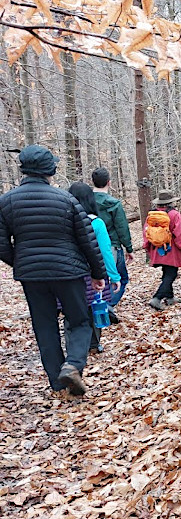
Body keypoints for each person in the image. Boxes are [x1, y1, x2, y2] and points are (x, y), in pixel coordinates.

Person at [0, 145, 106, 395]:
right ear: (50, 170)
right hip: (68, 272)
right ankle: (73, 365)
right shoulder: (66, 200)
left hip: (32, 276)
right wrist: (97, 273)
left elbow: (1, 244)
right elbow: (87, 240)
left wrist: (22, 262)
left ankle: (57, 382)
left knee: (44, 324)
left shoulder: (6, 201)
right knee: (79, 320)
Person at [69, 182, 121, 352]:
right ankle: (93, 344)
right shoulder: (96, 223)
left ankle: (73, 346)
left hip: (69, 273)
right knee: (94, 307)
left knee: (71, 311)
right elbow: (105, 251)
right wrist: (114, 276)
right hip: (93, 273)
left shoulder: (63, 221)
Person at [92, 167, 133, 312]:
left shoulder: (85, 200)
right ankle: (107, 306)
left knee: (95, 278)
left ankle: (98, 304)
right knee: (121, 278)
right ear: (109, 183)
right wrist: (129, 248)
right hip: (112, 245)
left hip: (88, 245)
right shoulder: (113, 203)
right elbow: (122, 227)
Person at [144, 190, 181, 311]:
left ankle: (170, 297)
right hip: (171, 250)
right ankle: (156, 298)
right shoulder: (174, 214)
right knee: (172, 273)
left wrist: (147, 247)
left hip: (157, 249)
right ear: (170, 202)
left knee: (166, 272)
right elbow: (179, 233)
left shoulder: (152, 215)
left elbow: (146, 232)